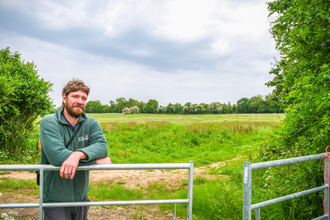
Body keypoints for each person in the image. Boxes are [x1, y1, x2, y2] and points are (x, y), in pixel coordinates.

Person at [40, 79, 112, 220]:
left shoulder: (91, 123)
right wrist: (95, 161)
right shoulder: (49, 122)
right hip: (55, 198)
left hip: (81, 197)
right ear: (64, 98)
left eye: (83, 98)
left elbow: (103, 147)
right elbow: (57, 156)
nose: (80, 101)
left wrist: (78, 155)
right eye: (75, 96)